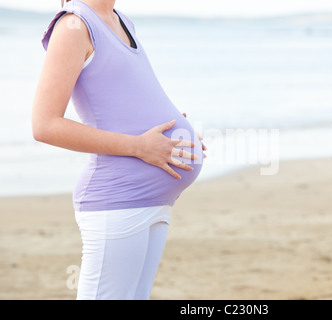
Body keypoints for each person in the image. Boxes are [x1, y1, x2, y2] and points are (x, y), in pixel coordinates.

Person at [32, 0, 206, 300]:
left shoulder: (120, 19)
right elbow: (44, 125)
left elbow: (125, 97)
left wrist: (176, 131)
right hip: (118, 198)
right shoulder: (74, 26)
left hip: (156, 199)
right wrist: (140, 146)